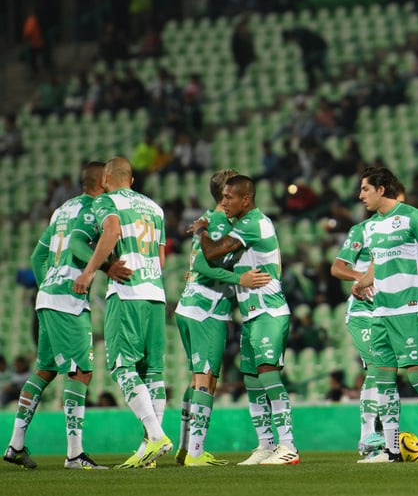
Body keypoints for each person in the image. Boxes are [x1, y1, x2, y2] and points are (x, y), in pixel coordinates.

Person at [4, 162, 131, 470]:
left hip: (47, 296)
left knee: (45, 370)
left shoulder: (62, 210)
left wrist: (47, 285)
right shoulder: (95, 209)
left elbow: (38, 256)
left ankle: (15, 445)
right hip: (69, 299)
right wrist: (104, 266)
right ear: (102, 181)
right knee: (80, 371)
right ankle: (74, 455)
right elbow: (78, 245)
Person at [72, 157, 171, 468]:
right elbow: (162, 259)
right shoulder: (155, 208)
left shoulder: (106, 202)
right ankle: (149, 450)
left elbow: (112, 230)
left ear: (105, 178)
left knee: (122, 367)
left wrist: (90, 271)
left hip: (127, 293)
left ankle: (155, 435)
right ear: (131, 179)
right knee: (152, 373)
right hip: (156, 294)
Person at [195, 175, 300, 466]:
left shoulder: (254, 223)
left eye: (229, 197)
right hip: (252, 314)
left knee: (268, 375)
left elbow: (213, 252)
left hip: (269, 311)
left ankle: (288, 446)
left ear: (246, 199)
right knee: (252, 381)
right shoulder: (243, 225)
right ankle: (266, 446)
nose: (223, 202)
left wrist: (203, 230)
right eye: (223, 196)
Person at [350, 166, 418, 463]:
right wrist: (361, 285)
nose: (360, 195)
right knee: (383, 382)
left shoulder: (413, 216)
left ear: (381, 189)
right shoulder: (369, 227)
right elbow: (375, 267)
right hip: (379, 312)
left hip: (408, 310)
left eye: (365, 189)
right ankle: (392, 450)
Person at [173, 169, 271, 466]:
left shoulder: (210, 219)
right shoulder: (218, 222)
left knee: (197, 381)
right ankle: (196, 453)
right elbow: (203, 266)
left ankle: (185, 447)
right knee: (206, 380)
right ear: (224, 194)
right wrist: (240, 278)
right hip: (207, 308)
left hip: (190, 306)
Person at [329, 187, 413, 457]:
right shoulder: (362, 230)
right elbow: (337, 267)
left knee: (386, 371)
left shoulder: (407, 231)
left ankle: (379, 436)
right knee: (378, 366)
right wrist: (362, 277)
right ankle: (368, 436)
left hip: (392, 311)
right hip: (363, 311)